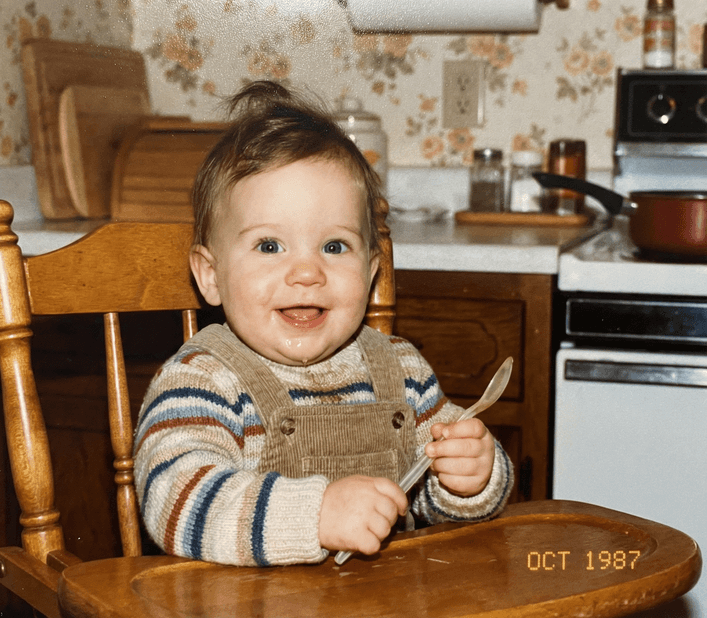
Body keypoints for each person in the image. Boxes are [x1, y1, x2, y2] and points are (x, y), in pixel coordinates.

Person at [133, 80, 513, 567]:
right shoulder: (200, 381)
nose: (307, 272)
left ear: (371, 272)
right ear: (210, 276)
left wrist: (470, 478)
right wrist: (315, 515)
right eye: (269, 246)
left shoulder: (401, 371)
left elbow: (426, 503)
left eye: (334, 247)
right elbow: (176, 502)